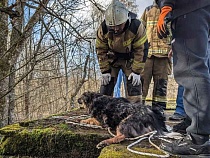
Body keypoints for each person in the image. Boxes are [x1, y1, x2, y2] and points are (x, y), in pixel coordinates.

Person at [157, 0, 210, 156]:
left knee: (191, 70)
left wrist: (166, 4)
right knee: (200, 65)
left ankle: (198, 140)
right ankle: (195, 123)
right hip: (199, 8)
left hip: (187, 9)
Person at [96, 0, 148, 103]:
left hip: (130, 60)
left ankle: (135, 113)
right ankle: (103, 113)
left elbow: (141, 49)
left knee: (134, 86)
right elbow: (100, 50)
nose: (115, 29)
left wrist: (136, 71)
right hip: (112, 59)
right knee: (106, 87)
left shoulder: (136, 26)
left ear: (126, 19)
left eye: (119, 25)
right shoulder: (103, 29)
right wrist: (105, 71)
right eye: (113, 26)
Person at [140, 0, 172, 127]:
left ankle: (158, 112)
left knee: (161, 86)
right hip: (147, 54)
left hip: (164, 55)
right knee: (142, 84)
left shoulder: (170, 10)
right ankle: (138, 110)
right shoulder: (148, 10)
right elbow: (140, 29)